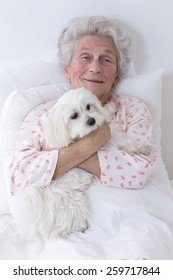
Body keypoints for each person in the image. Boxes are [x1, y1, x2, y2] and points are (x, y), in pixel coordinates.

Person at [8, 16, 157, 195]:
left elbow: (139, 171)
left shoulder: (133, 110)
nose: (95, 67)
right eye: (85, 57)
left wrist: (57, 154)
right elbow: (20, 178)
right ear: (67, 70)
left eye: (106, 60)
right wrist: (90, 144)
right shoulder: (42, 115)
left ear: (117, 75)